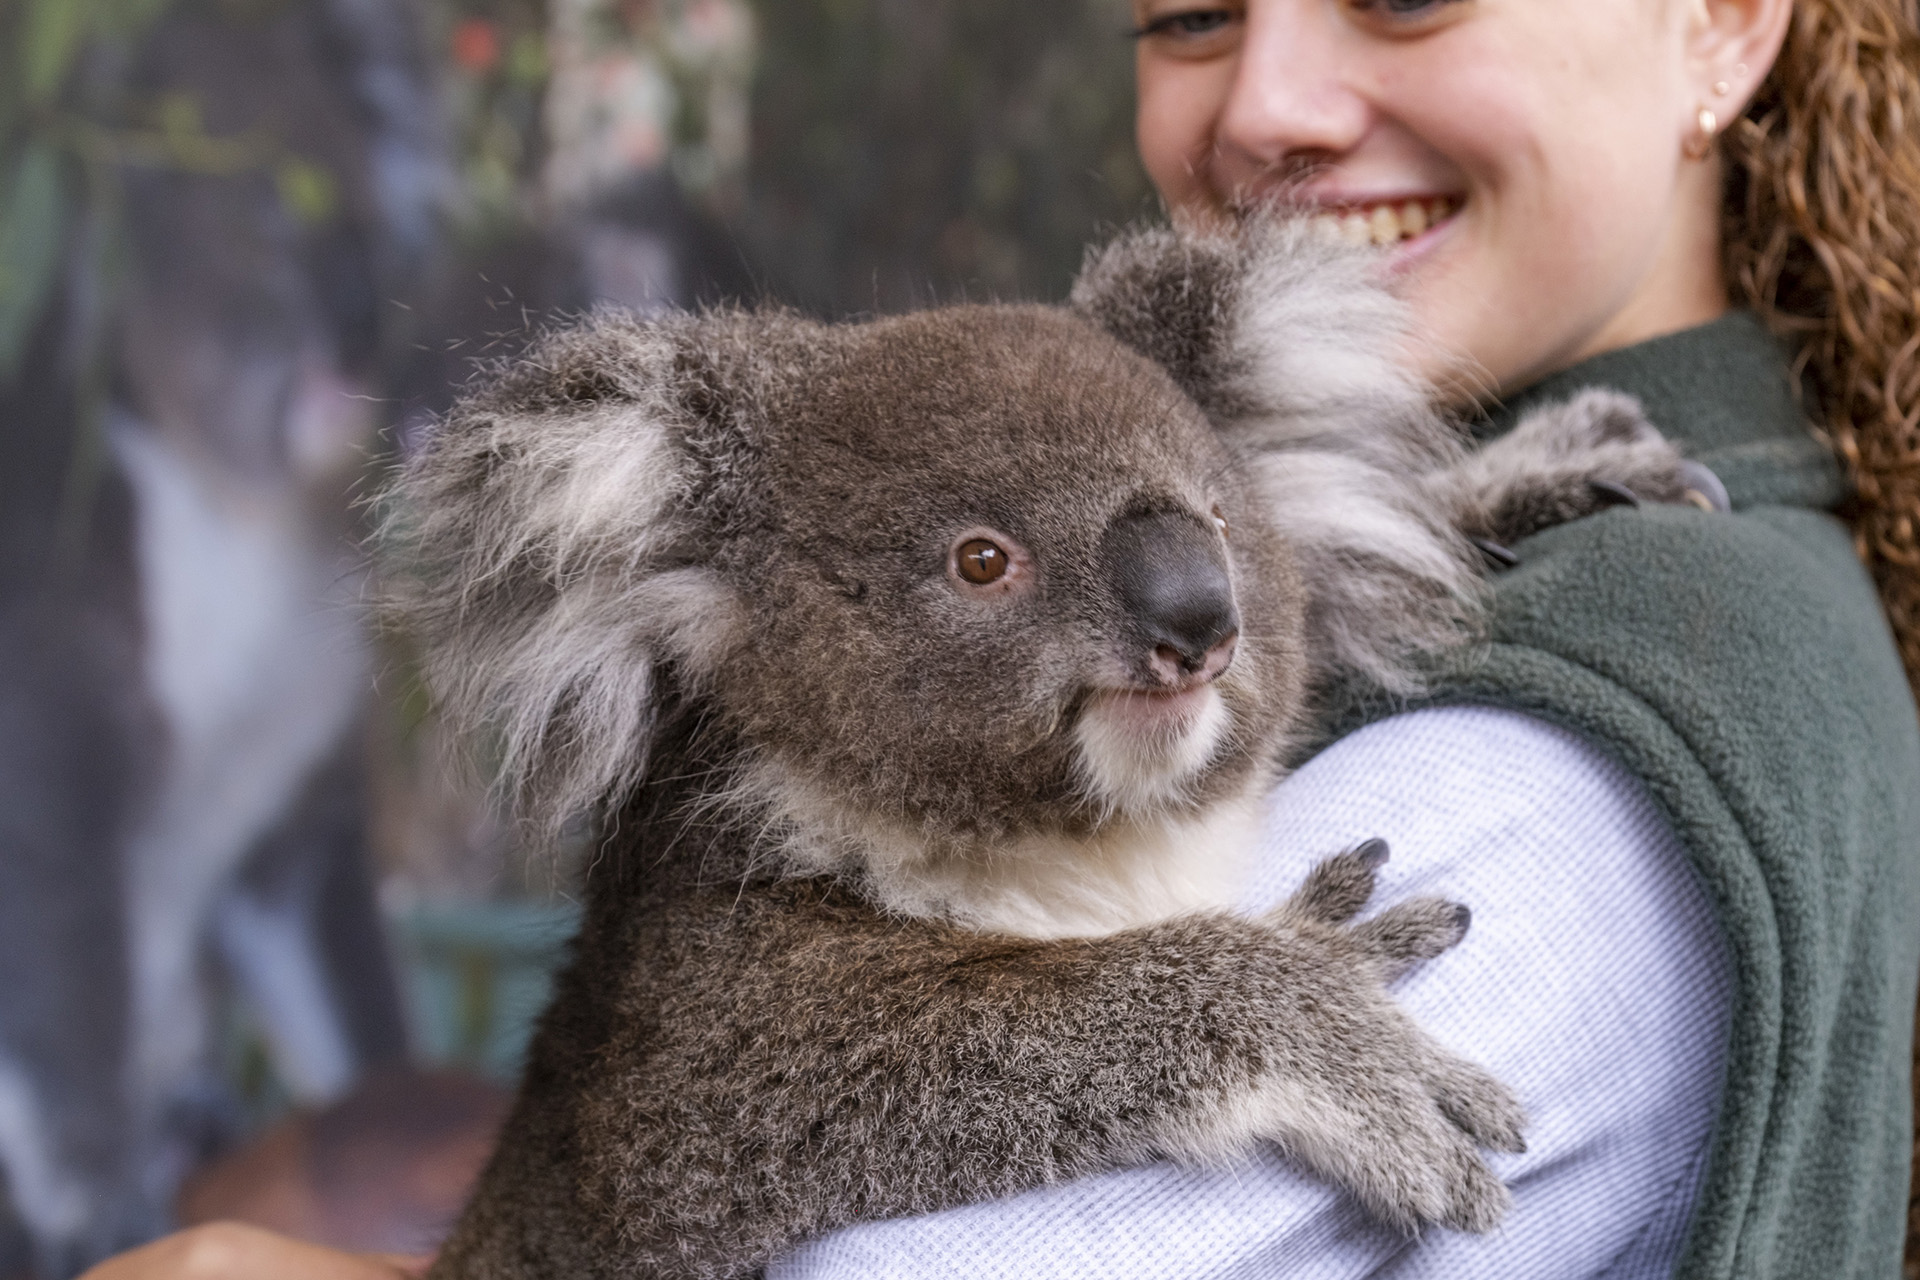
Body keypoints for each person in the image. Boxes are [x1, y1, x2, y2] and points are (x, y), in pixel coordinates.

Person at [79, 0, 1920, 1276]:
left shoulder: (1587, 770)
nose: (1268, 101)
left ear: (1726, 24)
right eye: (1189, 17)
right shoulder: (1567, 528)